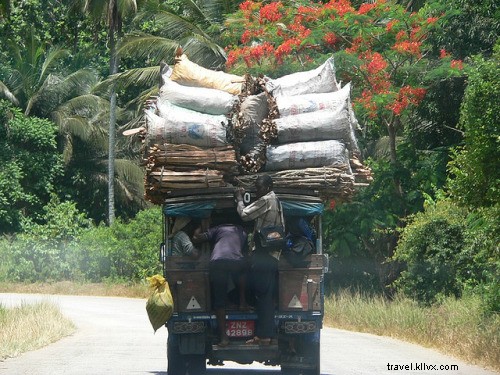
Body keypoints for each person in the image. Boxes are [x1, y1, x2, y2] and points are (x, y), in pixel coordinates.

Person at [234, 174, 283, 346]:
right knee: (266, 295)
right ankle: (266, 334)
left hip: (263, 255)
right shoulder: (277, 200)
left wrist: (240, 199)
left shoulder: (266, 200)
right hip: (273, 255)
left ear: (269, 186)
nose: (257, 191)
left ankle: (264, 336)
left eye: (260, 188)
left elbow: (245, 214)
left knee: (262, 295)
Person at [193, 222, 249, 347]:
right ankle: (242, 302)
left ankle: (224, 338)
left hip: (217, 261)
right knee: (243, 271)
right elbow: (244, 248)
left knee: (219, 300)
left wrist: (198, 227)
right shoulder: (241, 231)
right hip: (235, 260)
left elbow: (197, 238)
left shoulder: (216, 229)